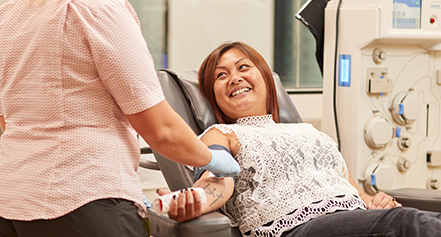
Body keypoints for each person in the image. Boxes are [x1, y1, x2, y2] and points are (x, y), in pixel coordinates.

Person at [0, 0, 239, 237]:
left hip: (5, 205)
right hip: (81, 201)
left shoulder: (10, 12)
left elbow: (7, 121)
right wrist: (210, 159)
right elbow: (161, 128)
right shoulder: (101, 8)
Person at [157, 41, 441, 236]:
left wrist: (376, 202)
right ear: (214, 97)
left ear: (266, 78)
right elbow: (218, 179)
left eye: (243, 68)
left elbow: (356, 194)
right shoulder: (223, 134)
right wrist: (194, 201)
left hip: (352, 220)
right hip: (297, 229)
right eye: (221, 75)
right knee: (407, 224)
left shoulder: (309, 132)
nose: (234, 78)